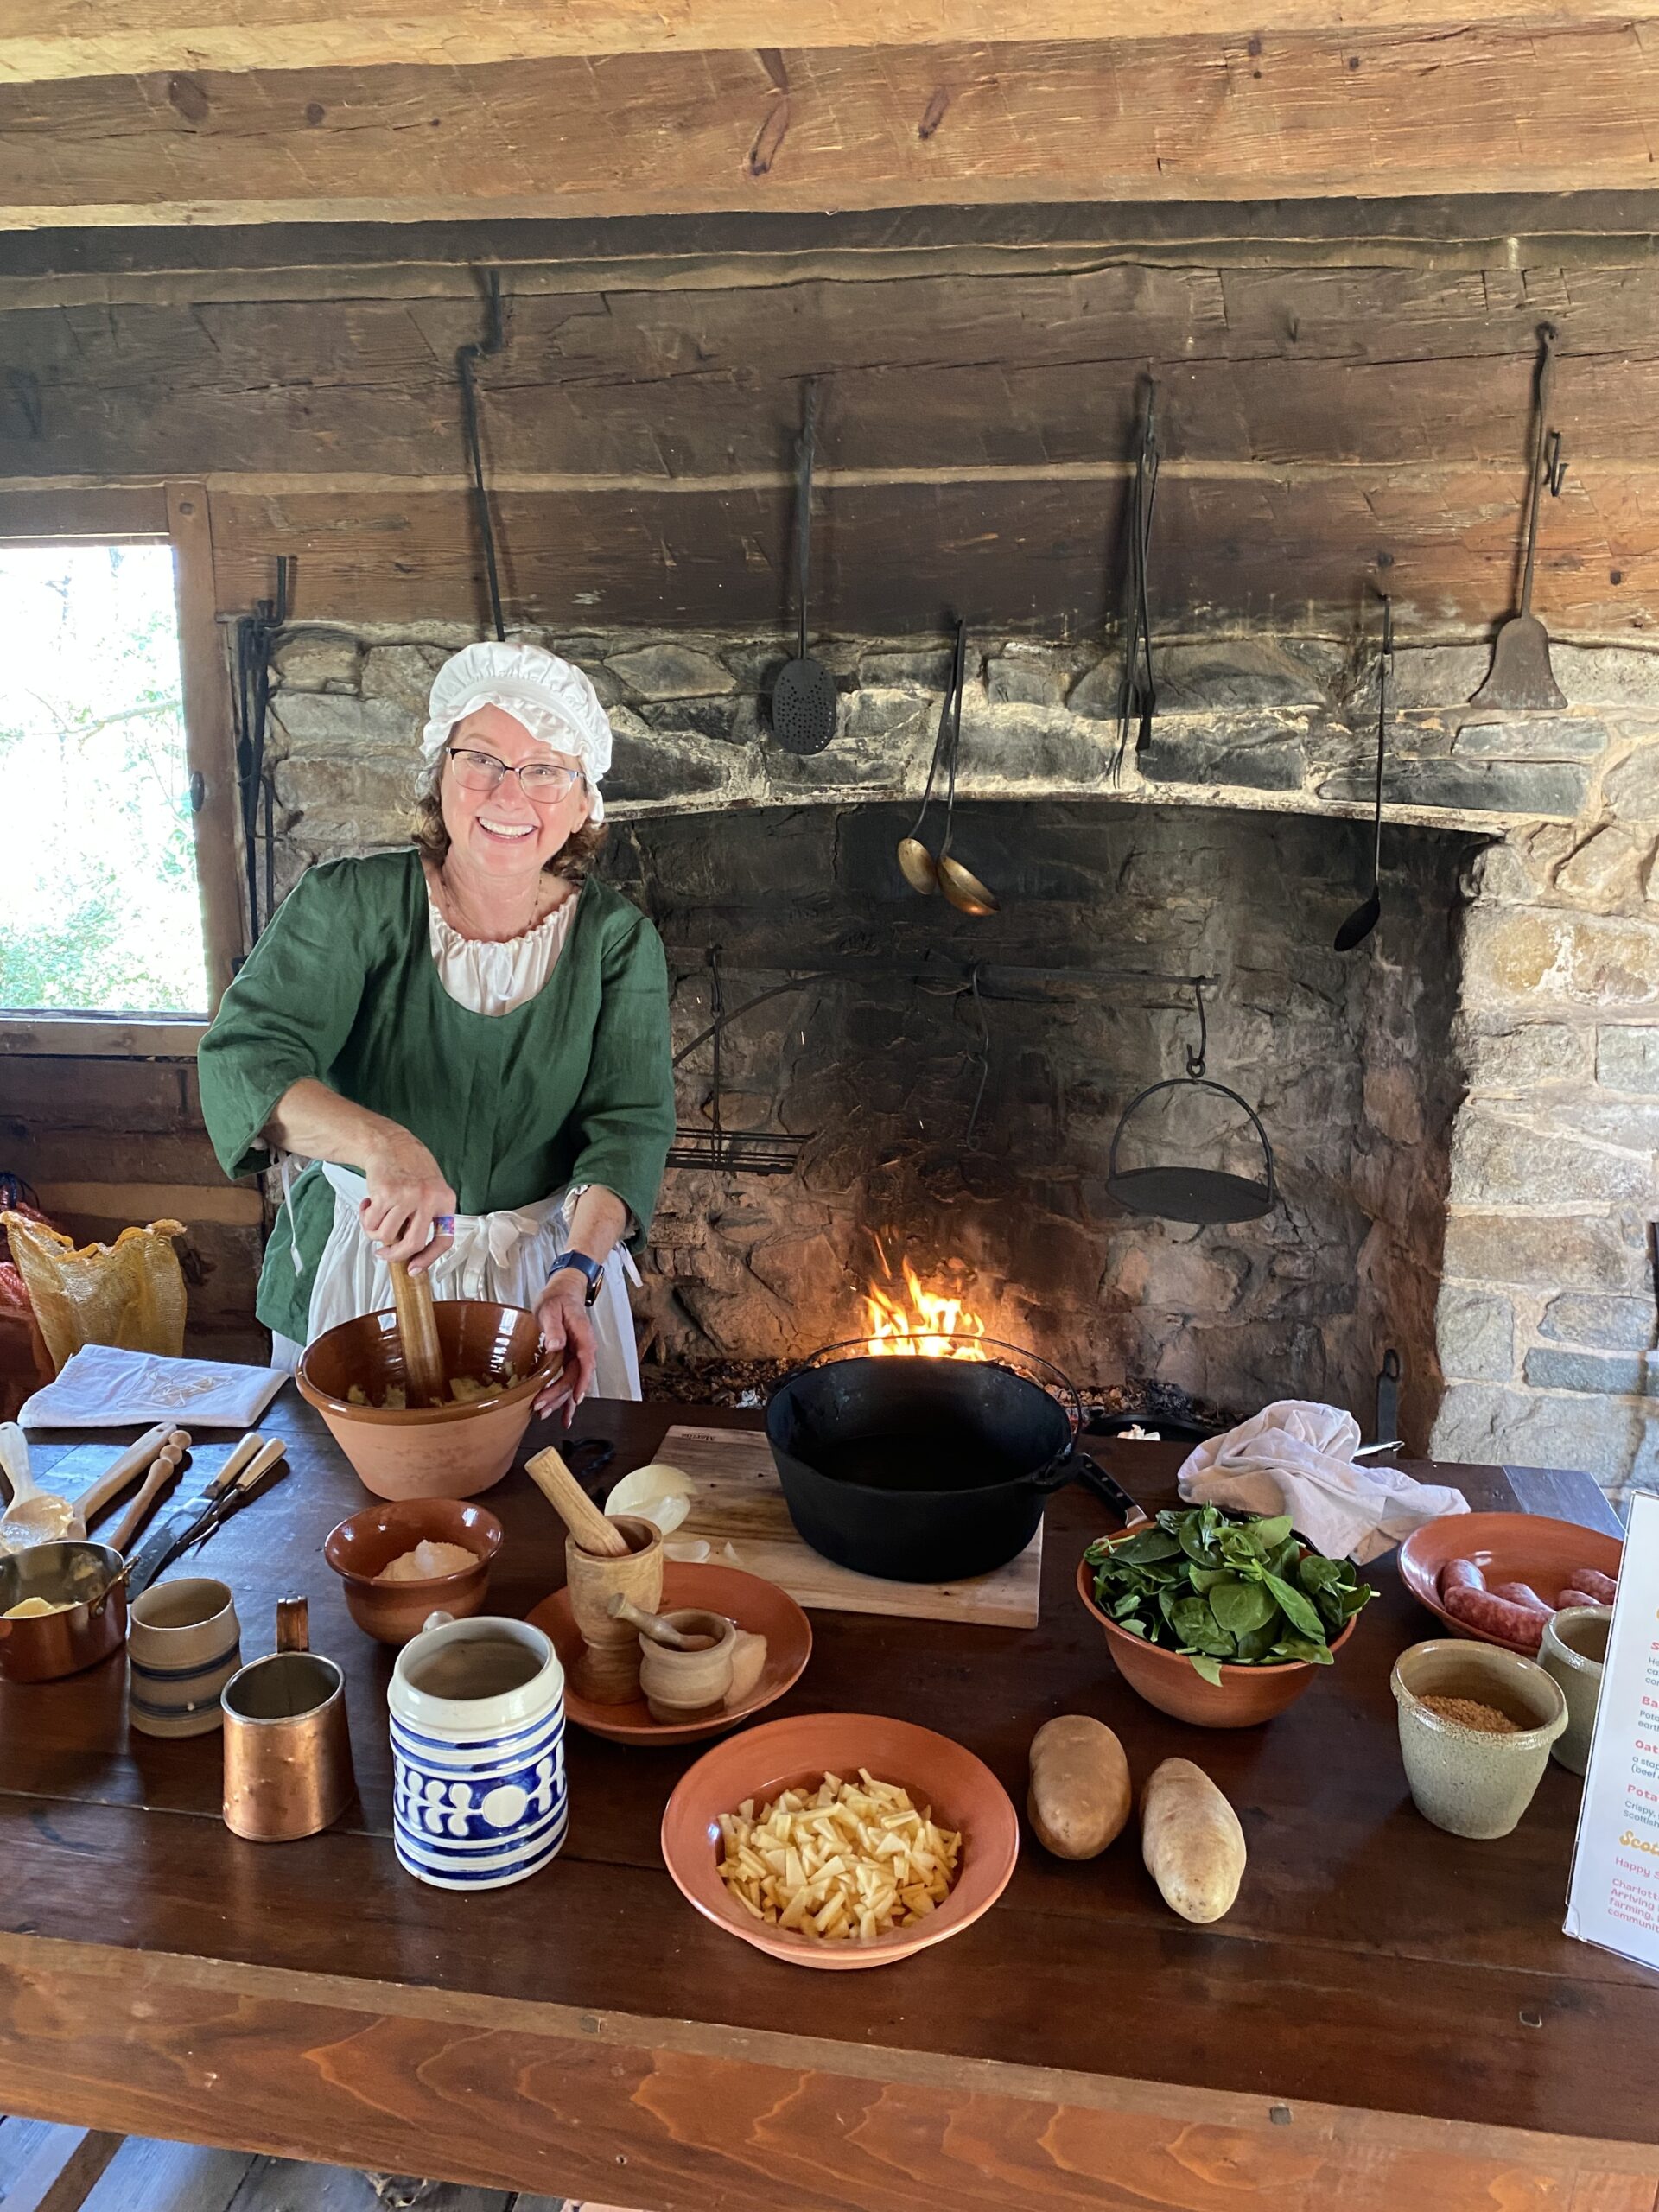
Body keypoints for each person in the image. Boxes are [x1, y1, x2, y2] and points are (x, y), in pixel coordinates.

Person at [198, 640, 675, 1418]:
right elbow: (246, 1061)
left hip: (545, 1277)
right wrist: (385, 1147)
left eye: (545, 769)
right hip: (366, 1261)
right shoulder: (347, 904)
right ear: (440, 773)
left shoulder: (616, 941)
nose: (508, 793)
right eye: (480, 758)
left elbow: (628, 1128)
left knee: (555, 1482)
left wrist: (577, 1271)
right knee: (349, 1477)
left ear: (583, 802)